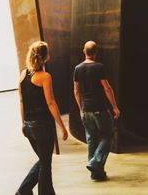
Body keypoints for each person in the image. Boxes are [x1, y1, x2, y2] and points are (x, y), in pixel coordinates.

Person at [16, 41, 68, 195]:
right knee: (45, 164)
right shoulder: (45, 77)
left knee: (44, 161)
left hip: (29, 126)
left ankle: (24, 190)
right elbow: (51, 102)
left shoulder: (23, 74)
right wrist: (62, 126)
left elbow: (21, 101)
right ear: (46, 57)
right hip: (43, 126)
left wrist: (23, 123)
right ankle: (28, 190)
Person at [73, 41, 120, 181]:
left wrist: (81, 108)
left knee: (91, 140)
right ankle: (95, 162)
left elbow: (76, 91)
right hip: (100, 108)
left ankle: (96, 173)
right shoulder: (99, 67)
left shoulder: (77, 68)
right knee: (108, 135)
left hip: (86, 110)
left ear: (84, 51)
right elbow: (107, 88)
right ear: (96, 52)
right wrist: (115, 107)